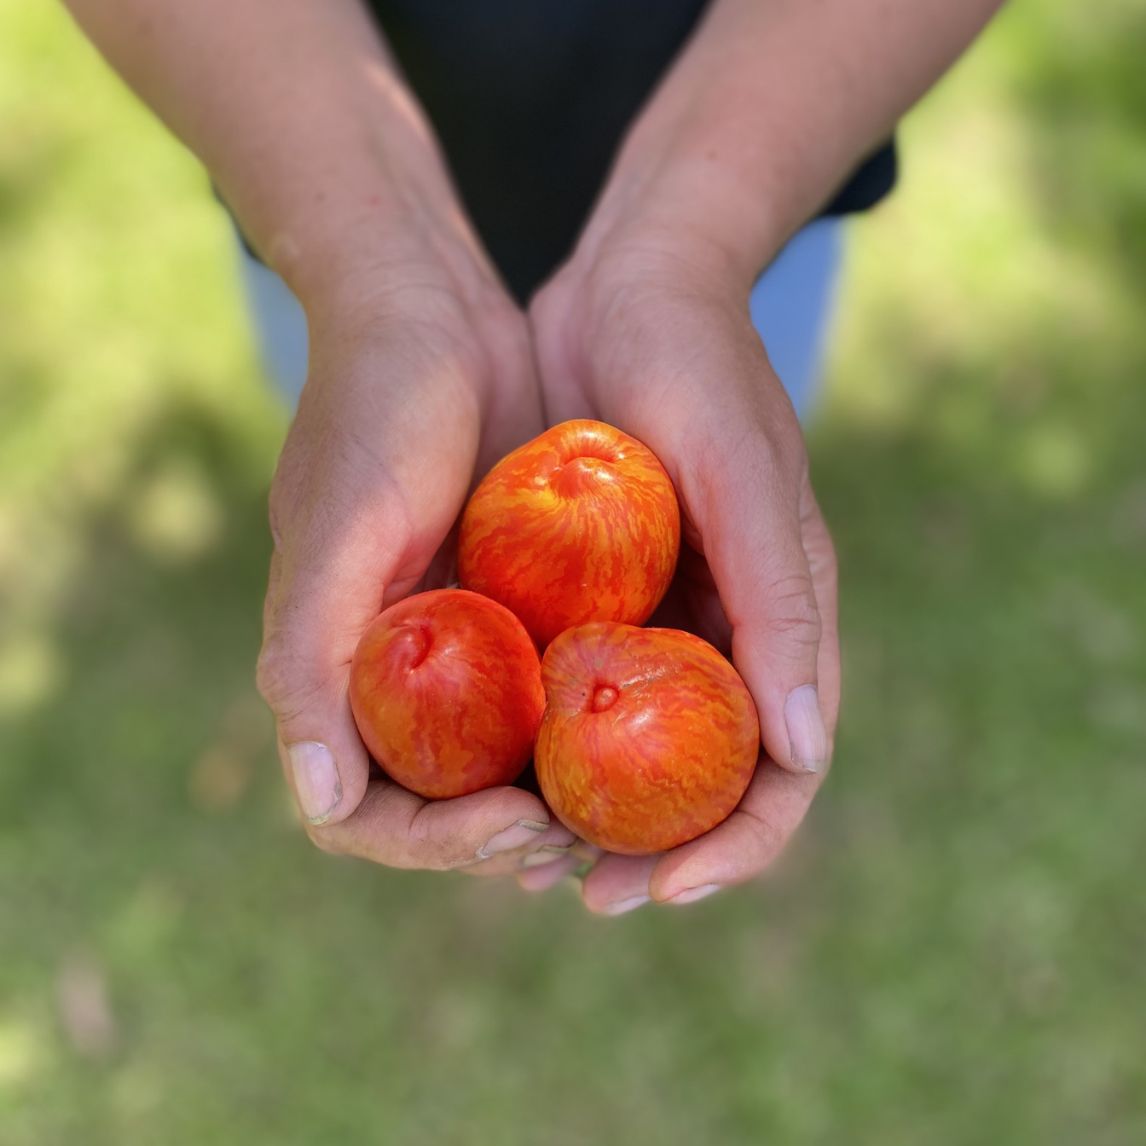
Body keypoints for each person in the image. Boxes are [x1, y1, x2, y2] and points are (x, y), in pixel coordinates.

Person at [65, 0, 1002, 914]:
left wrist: (693, 247)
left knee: (729, 465)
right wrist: (371, 278)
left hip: (763, 154)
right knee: (345, 430)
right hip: (314, 164)